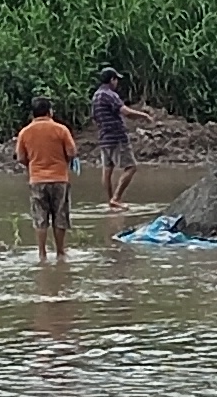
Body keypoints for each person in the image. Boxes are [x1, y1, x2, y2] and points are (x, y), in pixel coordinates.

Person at [18, 98, 78, 262]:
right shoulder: (61, 130)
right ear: (49, 112)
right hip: (59, 179)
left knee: (40, 218)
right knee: (60, 216)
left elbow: (21, 157)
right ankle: (60, 252)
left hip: (37, 179)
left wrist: (32, 165)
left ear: (33, 114)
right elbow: (72, 152)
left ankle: (42, 254)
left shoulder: (25, 132)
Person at [87, 67, 136, 209]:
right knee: (131, 167)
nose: (117, 83)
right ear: (112, 80)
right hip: (117, 137)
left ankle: (111, 201)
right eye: (116, 80)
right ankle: (116, 198)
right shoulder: (110, 94)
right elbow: (125, 112)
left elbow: (95, 117)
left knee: (107, 170)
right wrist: (144, 116)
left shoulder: (96, 96)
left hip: (104, 138)